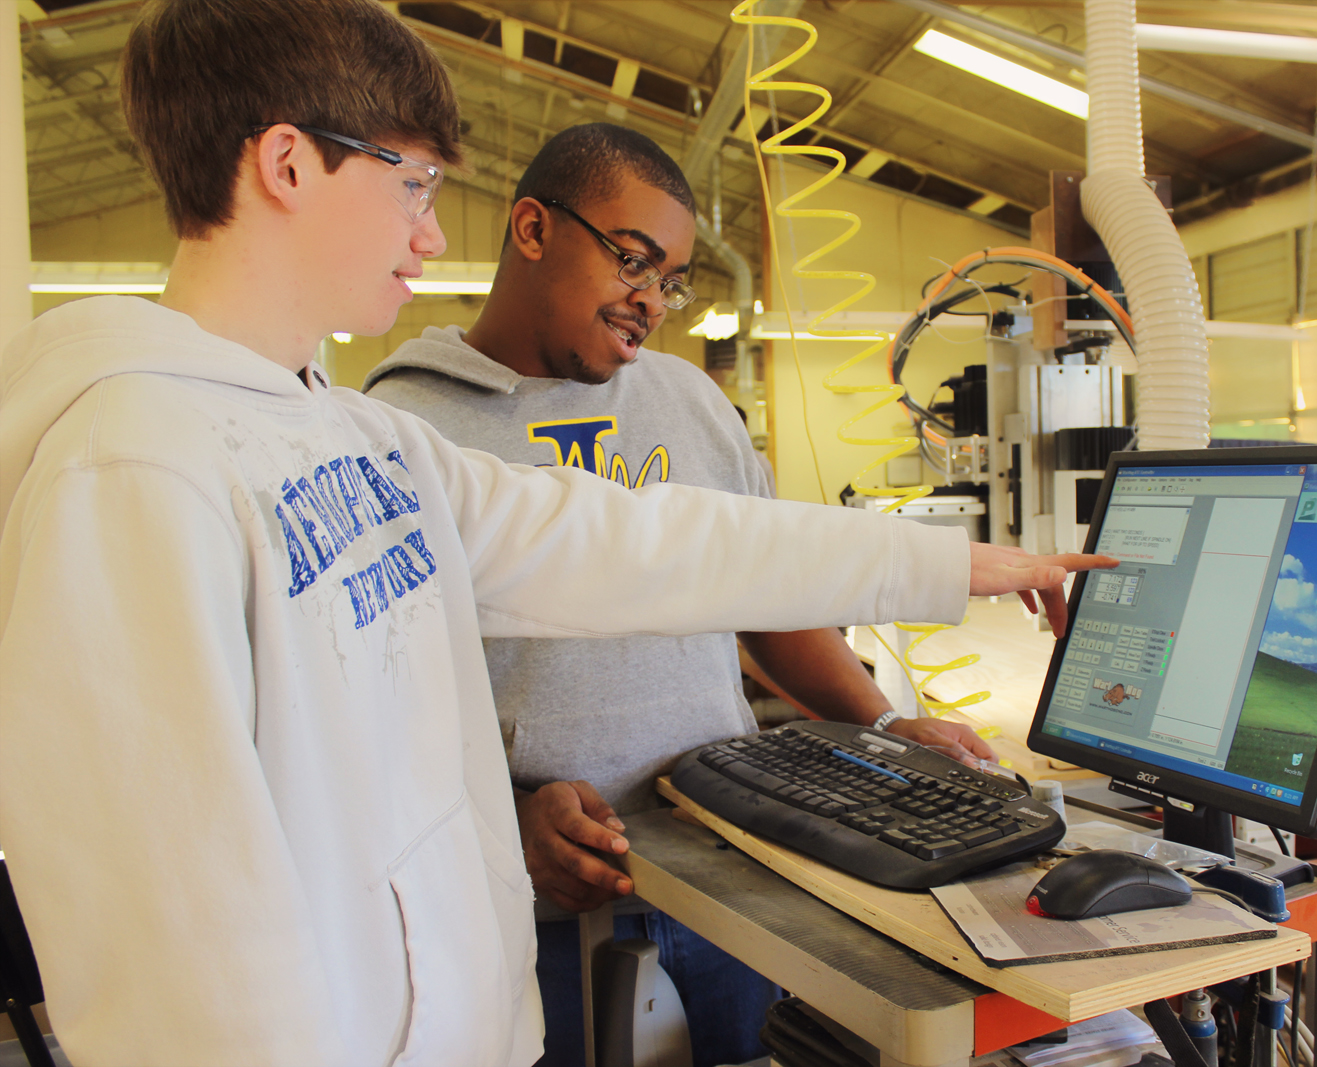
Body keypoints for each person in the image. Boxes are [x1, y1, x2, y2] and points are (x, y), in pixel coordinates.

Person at [0, 3, 1117, 1066]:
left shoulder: (353, 438)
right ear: (287, 164)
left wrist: (952, 562)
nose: (432, 230)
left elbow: (636, 542)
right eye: (415, 183)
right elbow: (180, 952)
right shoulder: (130, 467)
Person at [364, 122, 1011, 1066]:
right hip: (536, 908)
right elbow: (383, 705)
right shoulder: (409, 429)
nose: (652, 301)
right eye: (632, 260)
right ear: (533, 229)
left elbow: (769, 598)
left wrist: (878, 722)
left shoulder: (690, 402)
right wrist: (505, 815)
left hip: (731, 876)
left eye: (670, 279)